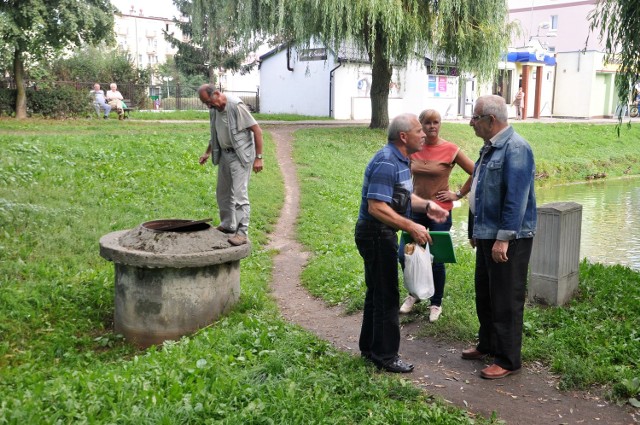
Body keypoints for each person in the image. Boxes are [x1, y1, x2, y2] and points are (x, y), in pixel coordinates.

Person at [355, 113, 449, 373]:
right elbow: (376, 207)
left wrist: (429, 205)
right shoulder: (387, 161)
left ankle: (370, 348)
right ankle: (386, 356)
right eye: (419, 130)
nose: (424, 134)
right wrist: (411, 225)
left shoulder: (401, 160)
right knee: (386, 296)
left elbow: (405, 199)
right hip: (375, 234)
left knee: (377, 293)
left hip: (382, 233)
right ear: (404, 136)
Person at [462, 95, 536, 380]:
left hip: (509, 238)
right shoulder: (489, 148)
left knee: (506, 298)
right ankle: (488, 344)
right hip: (486, 234)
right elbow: (479, 191)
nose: (471, 123)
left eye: (475, 118)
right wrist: (475, 231)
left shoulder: (516, 149)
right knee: (485, 293)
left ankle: (507, 359)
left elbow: (515, 199)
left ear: (490, 120)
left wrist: (503, 239)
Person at [398, 109, 475, 321]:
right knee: (406, 253)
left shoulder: (450, 149)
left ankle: (436, 303)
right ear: (420, 125)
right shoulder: (414, 148)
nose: (432, 126)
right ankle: (415, 293)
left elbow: (476, 171)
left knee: (436, 257)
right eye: (428, 123)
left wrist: (457, 194)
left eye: (436, 122)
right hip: (415, 209)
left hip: (440, 211)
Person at [198, 84, 264, 246]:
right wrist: (207, 152)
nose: (208, 106)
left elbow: (257, 130)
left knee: (240, 195)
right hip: (224, 155)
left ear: (217, 94)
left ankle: (242, 233)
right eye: (205, 103)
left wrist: (259, 157)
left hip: (240, 156)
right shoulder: (214, 110)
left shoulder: (235, 106)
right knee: (223, 192)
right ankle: (228, 225)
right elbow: (216, 133)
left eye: (208, 101)